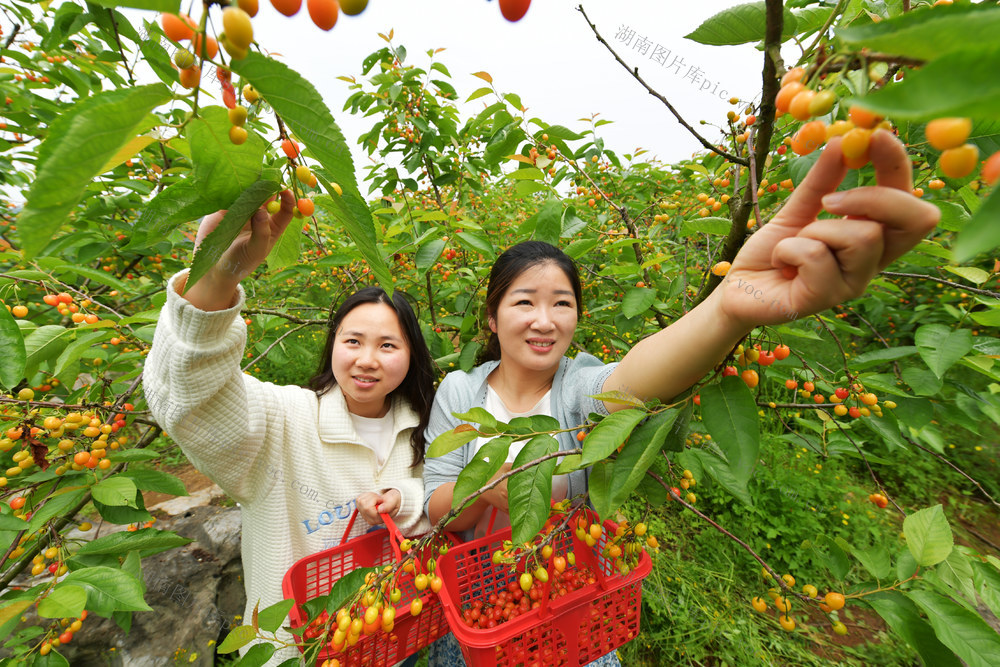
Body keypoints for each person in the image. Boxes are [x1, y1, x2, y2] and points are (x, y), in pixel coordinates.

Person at [423, 131, 940, 665]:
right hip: (479, 604)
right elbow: (437, 509)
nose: (544, 320)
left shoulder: (577, 387)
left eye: (562, 303)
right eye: (524, 302)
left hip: (571, 600)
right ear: (491, 316)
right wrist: (482, 488)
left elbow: (632, 381)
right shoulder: (461, 392)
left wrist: (727, 309)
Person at [143, 190, 434, 666]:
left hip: (392, 645)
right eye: (353, 340)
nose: (366, 359)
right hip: (291, 654)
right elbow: (191, 399)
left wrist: (408, 499)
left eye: (388, 346)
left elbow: (450, 500)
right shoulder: (284, 418)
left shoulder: (424, 428)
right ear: (332, 344)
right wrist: (218, 275)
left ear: (412, 356)